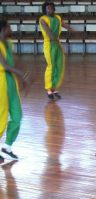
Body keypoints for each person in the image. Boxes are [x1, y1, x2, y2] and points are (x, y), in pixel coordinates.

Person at [0, 20, 29, 164]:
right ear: (4, 28)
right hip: (1, 83)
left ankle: (6, 147)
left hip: (11, 82)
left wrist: (23, 77)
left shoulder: (9, 44)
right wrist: (22, 74)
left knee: (17, 115)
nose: (11, 28)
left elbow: (12, 63)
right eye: (9, 26)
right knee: (1, 118)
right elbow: (4, 65)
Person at [39, 1, 72, 100]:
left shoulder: (58, 17)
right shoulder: (43, 19)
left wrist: (74, 30)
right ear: (44, 10)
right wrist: (55, 40)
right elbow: (49, 33)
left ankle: (54, 87)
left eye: (51, 8)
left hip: (57, 44)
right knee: (51, 66)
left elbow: (65, 25)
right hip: (49, 45)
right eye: (48, 8)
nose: (50, 10)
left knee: (59, 65)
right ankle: (49, 89)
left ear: (54, 9)